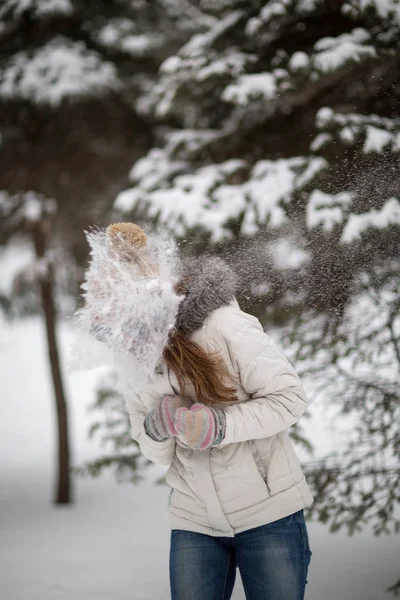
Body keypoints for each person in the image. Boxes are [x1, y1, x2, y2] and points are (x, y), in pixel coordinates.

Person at [117, 227, 314, 600]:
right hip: (193, 521)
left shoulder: (225, 324)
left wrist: (219, 425)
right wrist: (157, 428)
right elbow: (152, 449)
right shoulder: (134, 356)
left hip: (268, 515)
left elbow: (289, 398)